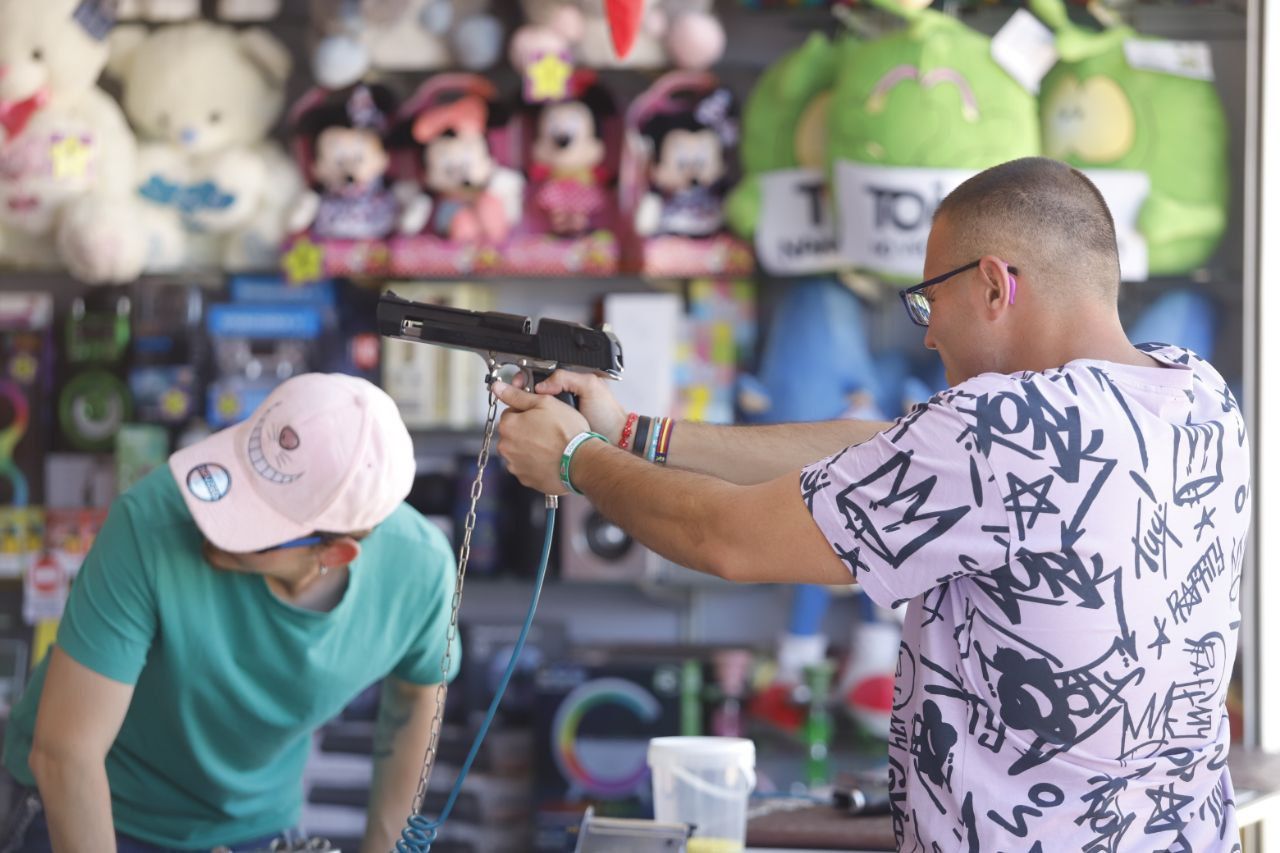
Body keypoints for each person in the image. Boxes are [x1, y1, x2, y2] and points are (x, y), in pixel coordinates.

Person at [493, 157, 1251, 852]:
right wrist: (632, 432)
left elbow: (725, 537)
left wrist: (576, 462)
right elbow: (889, 452)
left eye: (931, 300)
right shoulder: (1193, 395)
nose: (928, 336)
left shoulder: (1001, 431)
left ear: (996, 284)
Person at [1, 373, 459, 853]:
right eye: (233, 480)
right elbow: (65, 754)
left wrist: (385, 846)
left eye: (255, 525)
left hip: (253, 824)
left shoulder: (419, 572)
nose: (211, 520)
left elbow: (416, 698)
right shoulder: (150, 522)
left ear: (334, 554)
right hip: (93, 803)